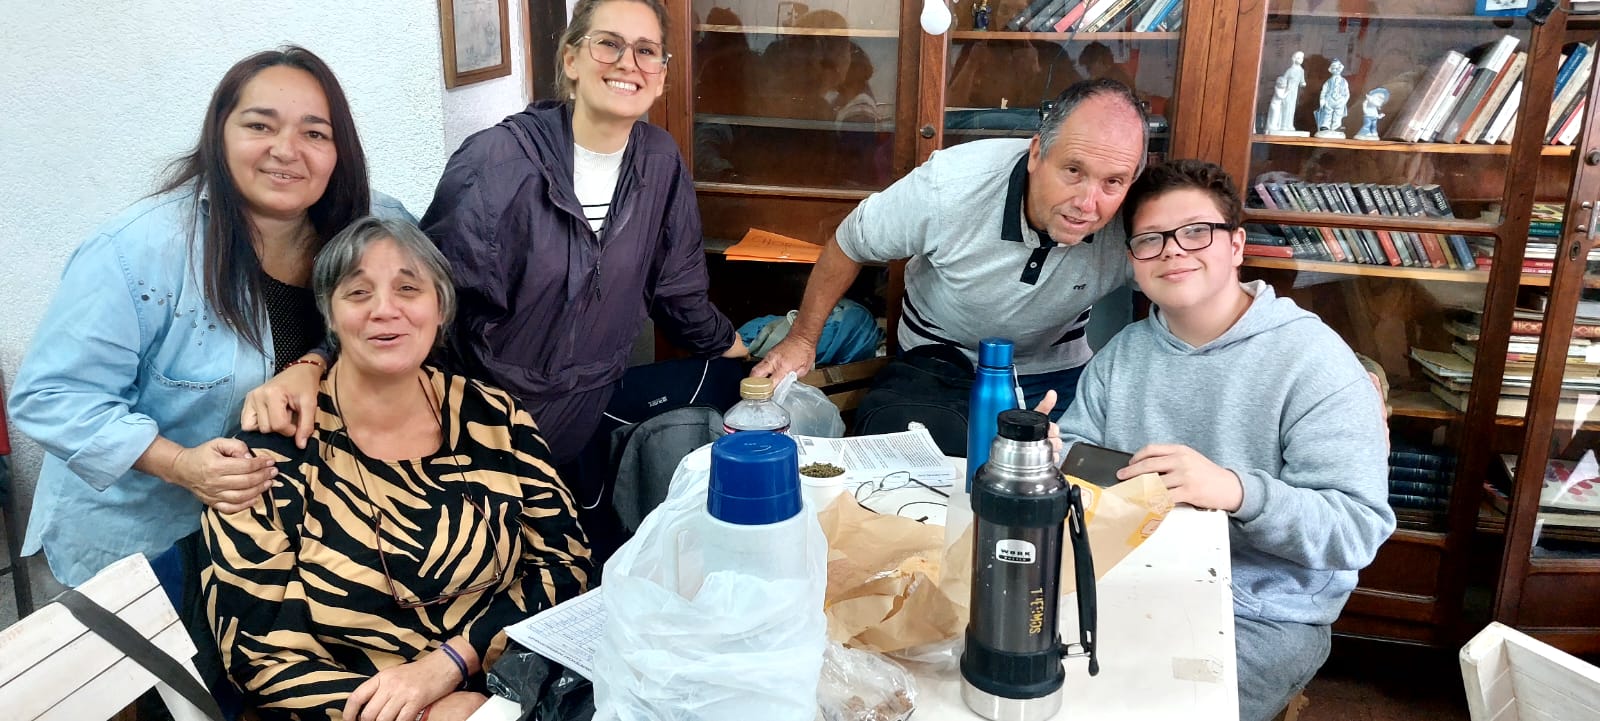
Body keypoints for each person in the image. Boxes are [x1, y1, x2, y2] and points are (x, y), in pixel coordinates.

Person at [241, 0, 745, 558]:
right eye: (608, 44)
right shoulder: (496, 164)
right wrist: (320, 363)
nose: (628, 62)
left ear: (663, 74)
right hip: (486, 426)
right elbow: (426, 304)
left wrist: (734, 349)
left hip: (587, 409)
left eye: (646, 50)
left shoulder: (659, 161)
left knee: (587, 554)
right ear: (571, 59)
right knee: (495, 569)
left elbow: (677, 287)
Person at [9, 47, 410, 703]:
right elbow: (50, 396)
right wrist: (181, 464)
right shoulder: (138, 249)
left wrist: (314, 362)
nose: (287, 150)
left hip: (281, 536)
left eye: (315, 132)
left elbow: (406, 319)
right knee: (168, 700)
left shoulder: (372, 225)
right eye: (260, 125)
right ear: (219, 133)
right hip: (146, 540)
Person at [203, 217, 593, 721]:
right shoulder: (269, 457)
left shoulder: (495, 415)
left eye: (408, 288)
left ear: (440, 307)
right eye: (358, 292)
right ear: (330, 315)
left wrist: (450, 664)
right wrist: (424, 714)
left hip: (516, 689)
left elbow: (566, 564)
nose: (385, 309)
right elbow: (259, 657)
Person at [1051, 159, 1394, 721]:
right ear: (1133, 259)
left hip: (1259, 612)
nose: (1172, 251)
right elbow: (1079, 456)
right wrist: (1051, 454)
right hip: (1121, 581)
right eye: (1150, 239)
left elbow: (1355, 530)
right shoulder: (1123, 354)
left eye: (1195, 232)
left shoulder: (1314, 361)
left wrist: (1237, 492)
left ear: (1236, 245)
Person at [754, 78, 1149, 420]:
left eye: (1112, 182)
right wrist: (802, 340)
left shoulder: (1140, 220)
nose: (1087, 204)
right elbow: (850, 243)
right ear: (1035, 154)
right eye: (1073, 171)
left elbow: (1181, 295)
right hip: (941, 358)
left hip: (1052, 369)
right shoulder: (950, 186)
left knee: (1074, 467)